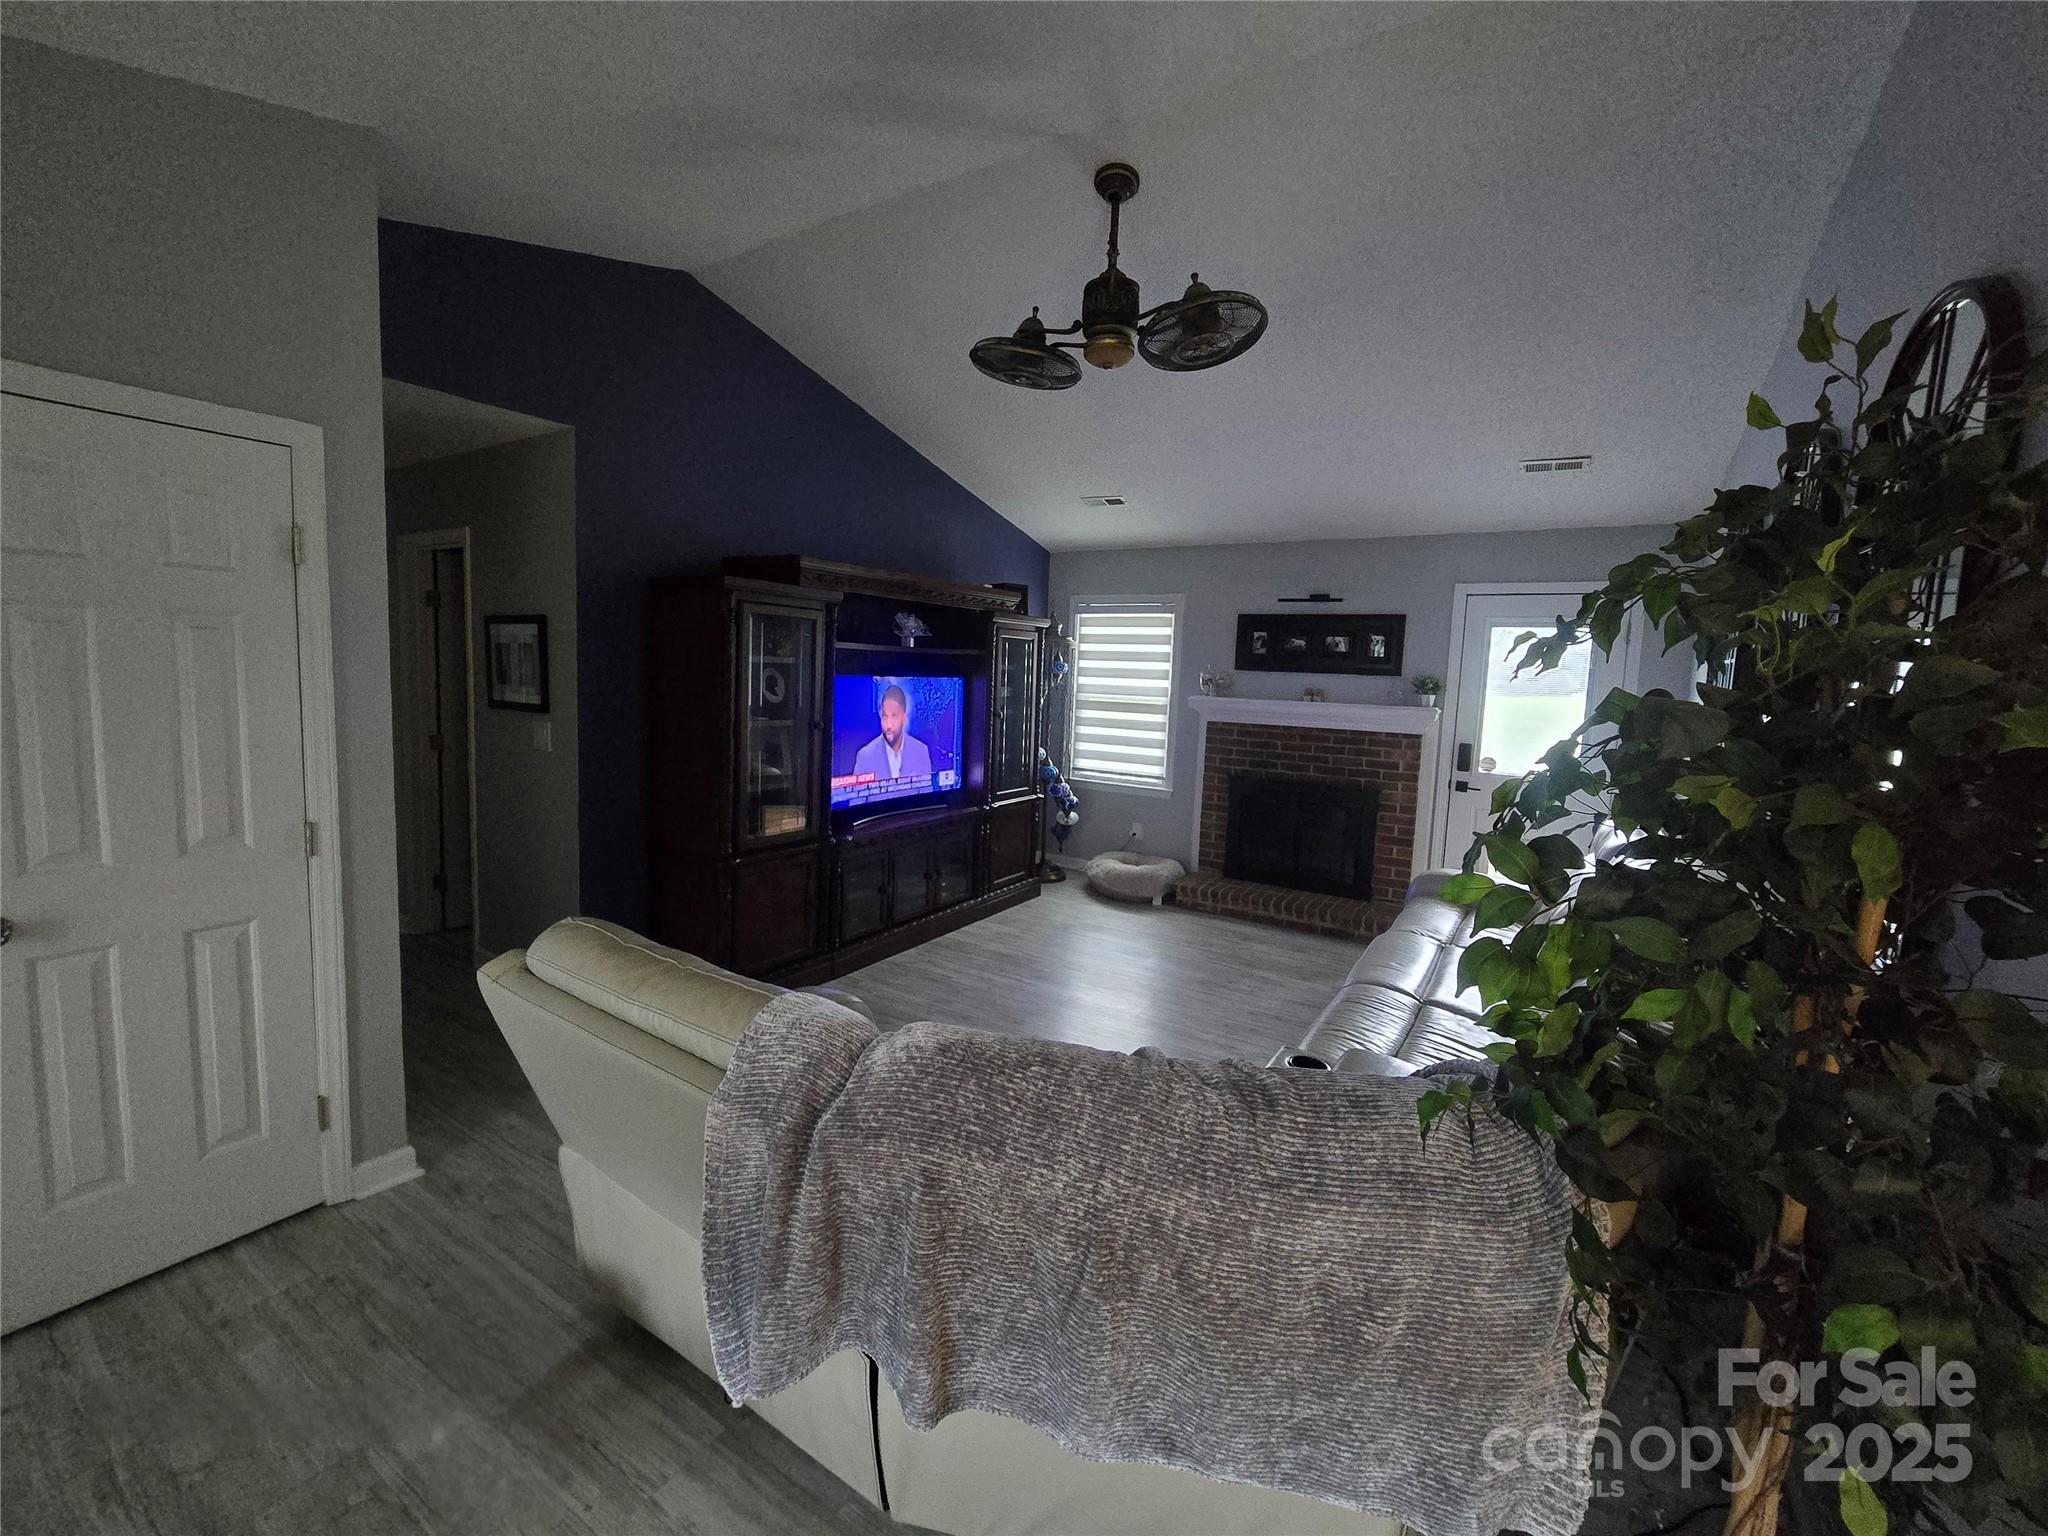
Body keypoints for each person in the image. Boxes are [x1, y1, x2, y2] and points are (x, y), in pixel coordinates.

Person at [853, 684, 933, 782]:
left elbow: (925, 793)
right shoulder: (864, 756)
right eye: (885, 717)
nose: (889, 725)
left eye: (894, 716)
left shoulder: (921, 751)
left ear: (904, 718)